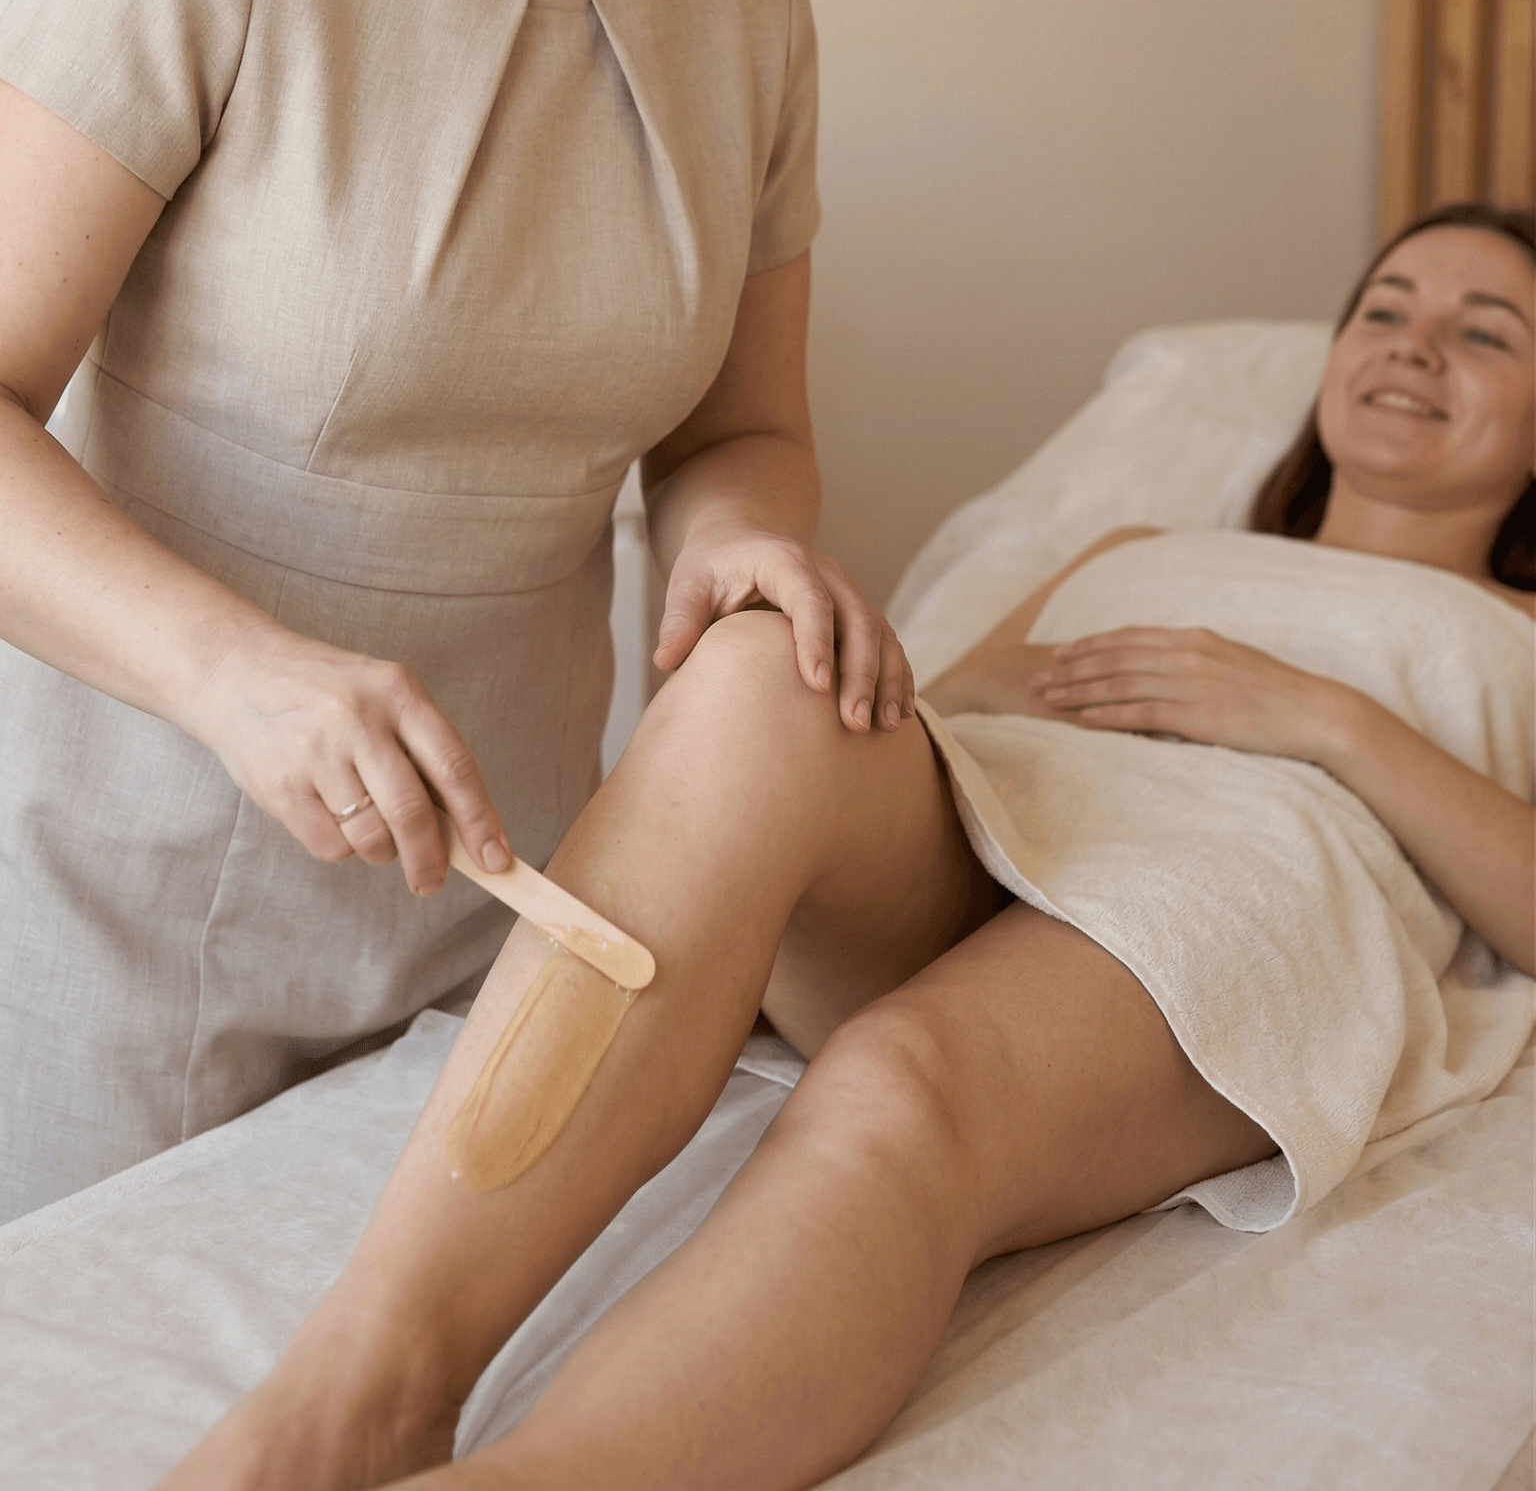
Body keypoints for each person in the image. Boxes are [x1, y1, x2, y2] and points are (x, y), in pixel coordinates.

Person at [159, 200, 1535, 1491]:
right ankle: (362, 1381)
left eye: (1484, 332)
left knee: (902, 1072)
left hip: (1253, 876)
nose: (1414, 344)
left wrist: (1323, 719)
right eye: (1386, 308)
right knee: (762, 670)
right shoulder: (1138, 540)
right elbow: (960, 701)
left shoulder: (1516, 631)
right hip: (1016, 805)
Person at [0, 0, 932, 1221]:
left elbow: (743, 430)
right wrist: (241, 679)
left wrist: (736, 543)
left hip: (485, 894)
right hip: (105, 888)